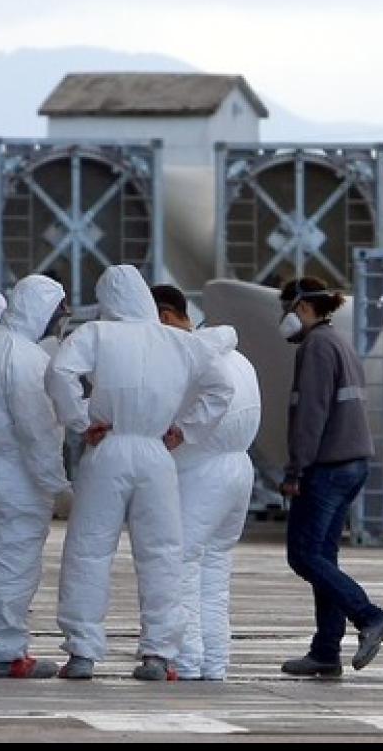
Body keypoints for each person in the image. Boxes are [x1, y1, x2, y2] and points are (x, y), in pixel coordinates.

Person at [46, 265, 233, 681]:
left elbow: (59, 372)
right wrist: (186, 429)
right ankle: (158, 652)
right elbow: (221, 388)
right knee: (162, 553)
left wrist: (79, 420)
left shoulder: (96, 334)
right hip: (155, 451)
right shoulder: (180, 342)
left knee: (89, 551)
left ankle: (82, 651)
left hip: (107, 447)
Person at [277, 277, 383, 678]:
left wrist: (296, 469)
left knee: (304, 555)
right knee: (323, 558)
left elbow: (310, 414)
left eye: (287, 310)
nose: (285, 319)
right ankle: (325, 652)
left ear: (304, 308)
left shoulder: (315, 347)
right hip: (353, 463)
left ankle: (370, 617)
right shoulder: (340, 341)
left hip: (327, 466)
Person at [0, 275, 72, 679]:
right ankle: (5, 653)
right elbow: (37, 431)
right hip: (12, 476)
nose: (62, 321)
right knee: (12, 565)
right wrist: (57, 486)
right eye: (59, 312)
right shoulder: (27, 358)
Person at [152, 284, 261, 681]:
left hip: (199, 471)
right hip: (239, 471)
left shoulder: (187, 360)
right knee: (215, 570)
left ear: (163, 318)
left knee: (181, 563)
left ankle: (186, 658)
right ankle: (214, 660)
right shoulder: (239, 359)